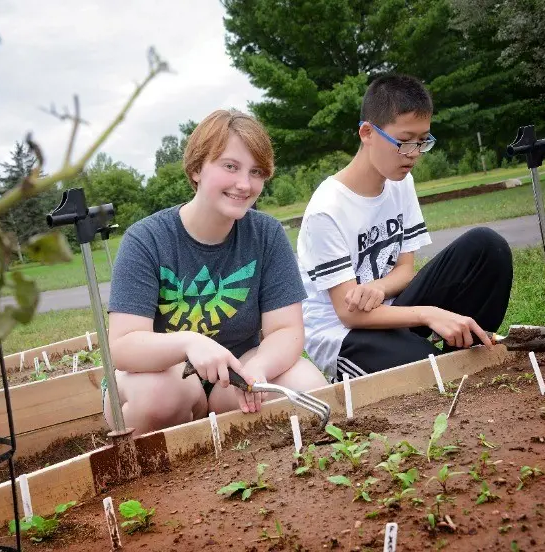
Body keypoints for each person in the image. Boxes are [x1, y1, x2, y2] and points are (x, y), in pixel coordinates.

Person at [103, 108, 328, 436]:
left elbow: (286, 330)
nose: (244, 184)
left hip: (236, 374)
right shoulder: (147, 239)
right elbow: (123, 346)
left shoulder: (265, 234)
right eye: (230, 167)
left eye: (256, 172)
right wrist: (189, 343)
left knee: (308, 386)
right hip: (158, 375)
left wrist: (258, 370)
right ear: (196, 169)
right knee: (161, 397)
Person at [296, 74, 513, 382]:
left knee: (487, 247)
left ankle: (465, 344)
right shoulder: (326, 211)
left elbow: (405, 270)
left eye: (423, 141)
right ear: (368, 133)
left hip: (392, 311)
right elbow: (348, 313)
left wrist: (378, 288)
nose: (413, 153)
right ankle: (398, 360)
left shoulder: (400, 182)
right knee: (431, 374)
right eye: (404, 141)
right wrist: (428, 313)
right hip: (346, 333)